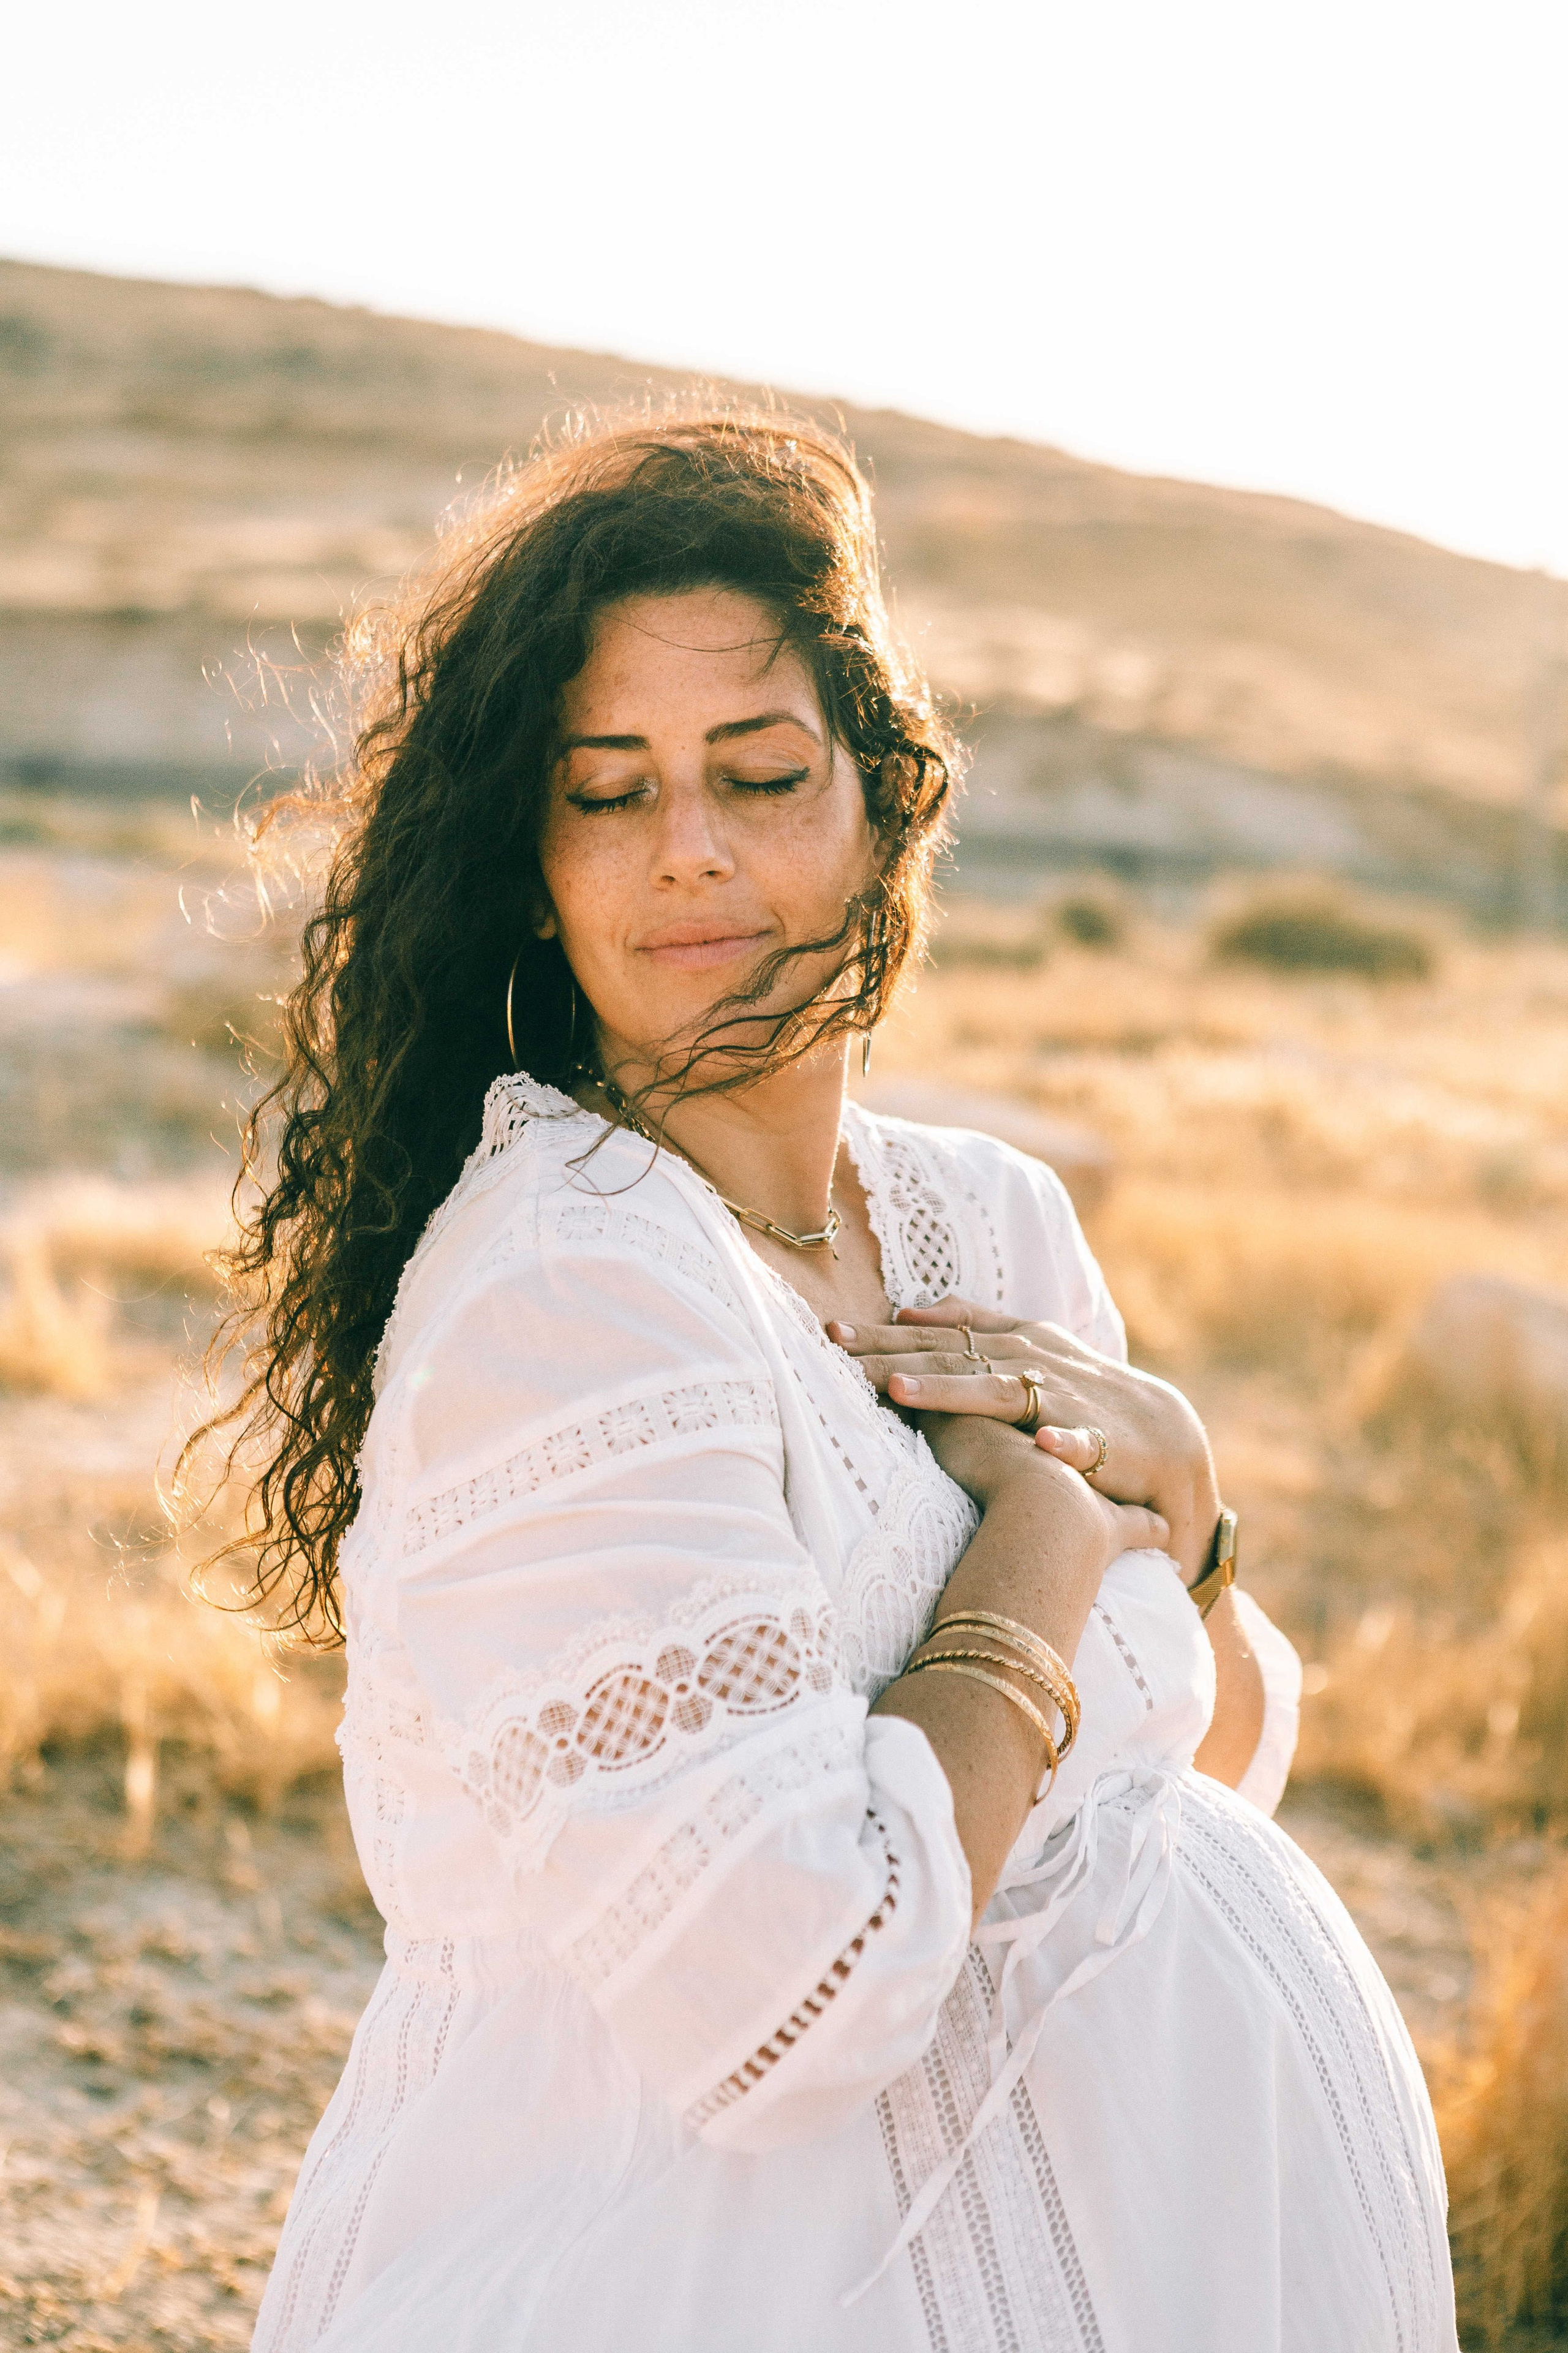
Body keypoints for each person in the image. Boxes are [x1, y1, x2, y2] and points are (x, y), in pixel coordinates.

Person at [219, 412, 1457, 2351]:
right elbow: (791, 1999)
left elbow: (1181, 1778)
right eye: (608, 791)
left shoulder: (990, 1218)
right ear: (537, 870)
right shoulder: (569, 1291)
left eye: (762, 772)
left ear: (884, 800)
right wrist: (1044, 1534)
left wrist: (1196, 1517)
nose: (690, 846)